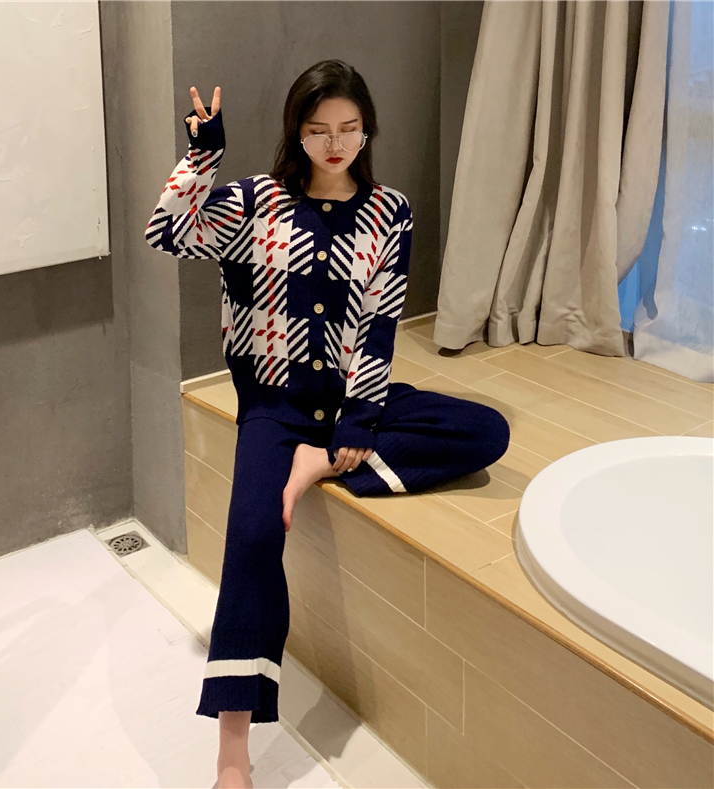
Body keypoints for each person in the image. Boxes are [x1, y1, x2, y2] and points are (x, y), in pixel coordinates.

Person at [145, 60, 510, 789]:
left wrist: (357, 423)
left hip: (350, 396)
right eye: (318, 130)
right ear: (297, 132)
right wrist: (203, 155)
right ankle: (232, 754)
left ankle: (323, 464)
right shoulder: (255, 202)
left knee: (485, 430)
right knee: (253, 537)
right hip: (274, 406)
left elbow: (380, 326)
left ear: (367, 130)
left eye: (349, 128)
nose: (335, 143)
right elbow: (168, 231)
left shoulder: (390, 213)